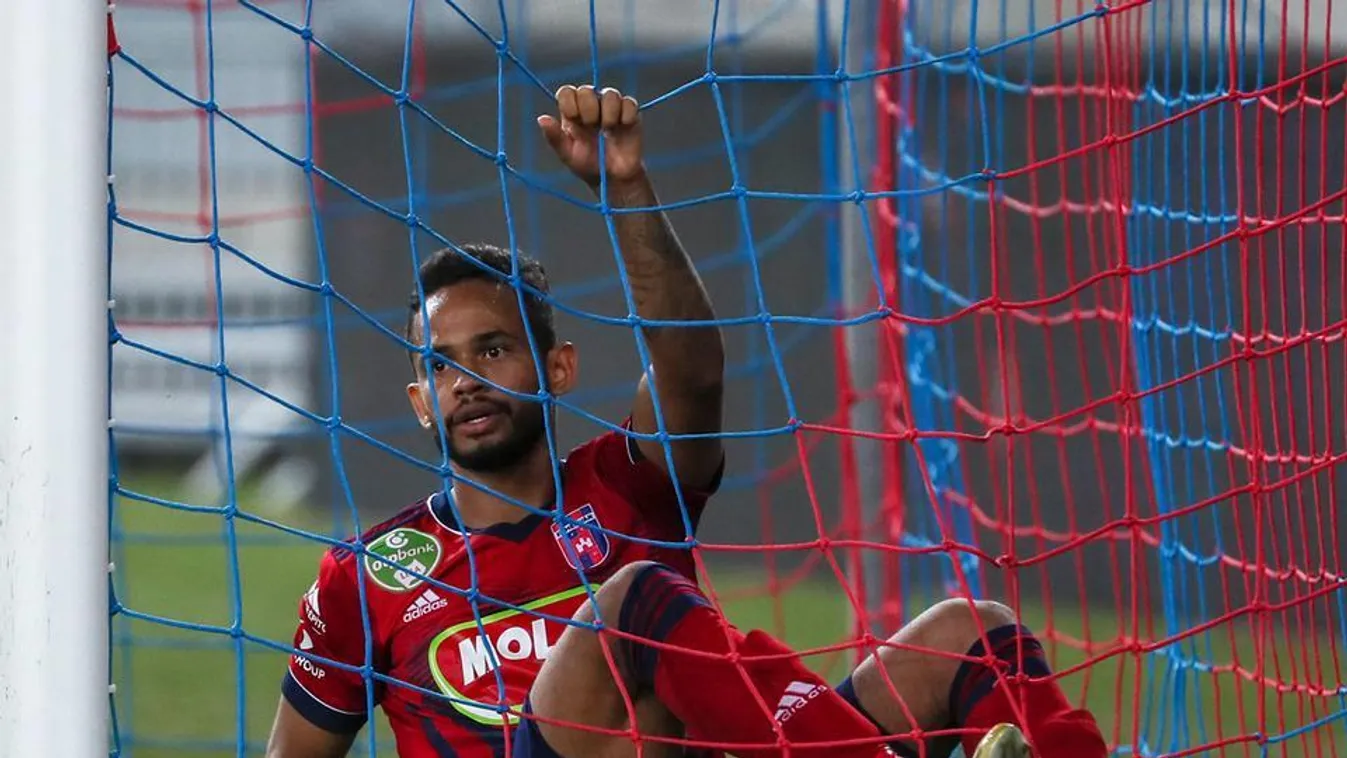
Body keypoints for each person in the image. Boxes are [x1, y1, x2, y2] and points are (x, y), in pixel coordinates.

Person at [264, 84, 1107, 758]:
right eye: (441, 365)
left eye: (492, 351)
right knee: (635, 598)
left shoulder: (626, 485)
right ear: (419, 400)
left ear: (558, 368)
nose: (467, 382)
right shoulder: (365, 577)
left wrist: (625, 190)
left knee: (972, 633)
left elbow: (693, 370)